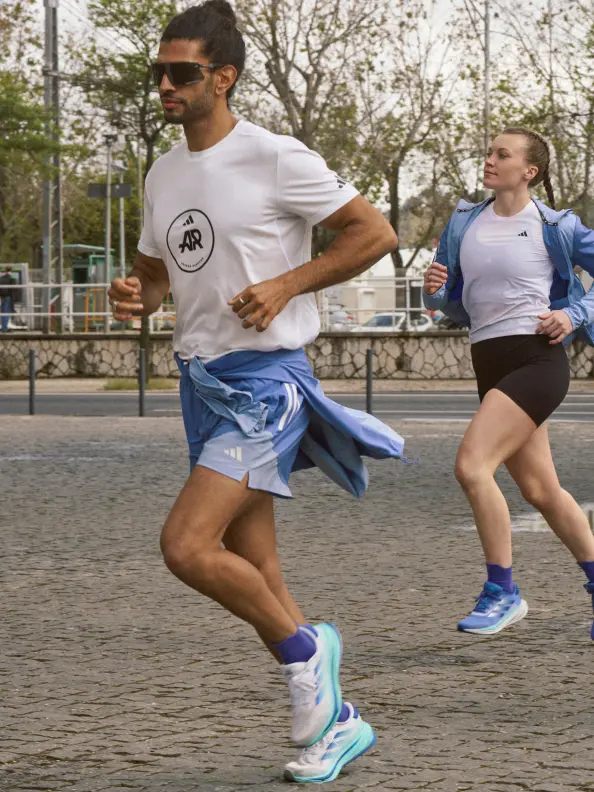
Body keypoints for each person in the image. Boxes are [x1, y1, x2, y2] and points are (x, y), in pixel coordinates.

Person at [109, 1, 403, 782]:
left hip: (267, 381)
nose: (166, 85)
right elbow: (160, 271)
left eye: (184, 73)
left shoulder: (275, 156)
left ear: (224, 77)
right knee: (255, 564)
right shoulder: (163, 171)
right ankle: (335, 725)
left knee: (187, 546)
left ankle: (311, 653)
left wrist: (288, 283)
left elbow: (373, 233)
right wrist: (138, 294)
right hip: (200, 383)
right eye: (160, 72)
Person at [423, 127, 594, 639]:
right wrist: (433, 292)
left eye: (503, 154)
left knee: (472, 466)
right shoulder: (464, 222)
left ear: (530, 171)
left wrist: (575, 314)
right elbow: (450, 301)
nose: (490, 160)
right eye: (489, 152)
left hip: (535, 359)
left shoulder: (554, 225)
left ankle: (503, 590)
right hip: (489, 360)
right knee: (542, 489)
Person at [0, 267, 16, 332]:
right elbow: (14, 289)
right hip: (8, 297)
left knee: (2, 313)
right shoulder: (12, 278)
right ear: (11, 271)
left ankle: (3, 327)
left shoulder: (1, 278)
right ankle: (4, 328)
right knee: (6, 312)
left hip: (2, 297)